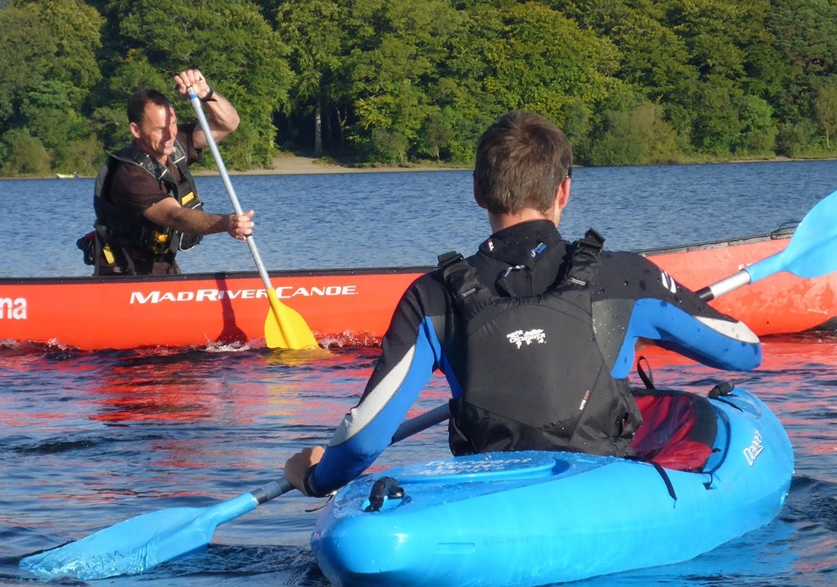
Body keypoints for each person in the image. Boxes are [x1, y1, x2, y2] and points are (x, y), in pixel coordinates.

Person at [284, 111, 763, 497]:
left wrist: (315, 476)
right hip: (602, 491)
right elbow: (744, 351)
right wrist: (663, 304)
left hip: (492, 498)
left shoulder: (431, 295)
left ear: (478, 193)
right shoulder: (625, 275)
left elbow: (366, 436)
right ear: (564, 191)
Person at [89, 69, 253, 276]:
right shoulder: (130, 176)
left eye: (172, 124)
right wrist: (226, 223)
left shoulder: (176, 144)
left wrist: (206, 93)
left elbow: (228, 124)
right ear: (136, 130)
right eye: (159, 129)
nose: (169, 135)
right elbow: (175, 216)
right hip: (125, 275)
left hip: (163, 268)